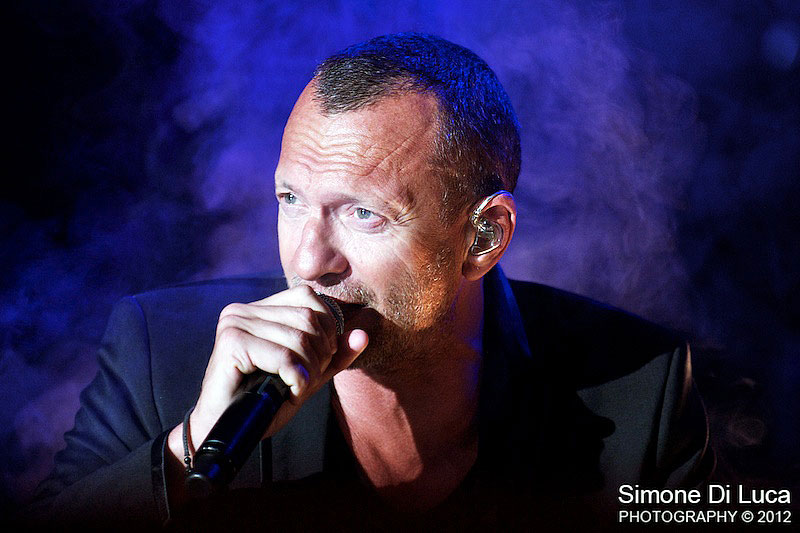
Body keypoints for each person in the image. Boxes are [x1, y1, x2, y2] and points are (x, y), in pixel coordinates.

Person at [25, 33, 712, 530]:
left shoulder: (639, 386)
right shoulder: (160, 351)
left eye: (363, 213)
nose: (309, 260)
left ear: (483, 238)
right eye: (290, 200)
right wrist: (191, 447)